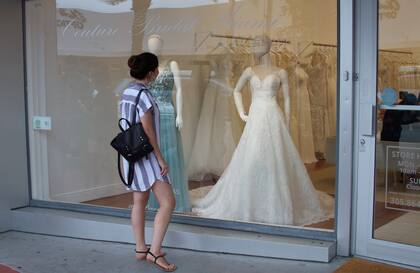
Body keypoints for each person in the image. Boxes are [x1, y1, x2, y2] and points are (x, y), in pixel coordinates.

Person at [119, 52, 177, 272]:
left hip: (132, 154)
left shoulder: (127, 92)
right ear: (151, 72)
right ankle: (154, 251)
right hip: (147, 156)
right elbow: (148, 129)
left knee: (139, 201)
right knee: (168, 202)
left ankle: (141, 248)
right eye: (156, 70)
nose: (158, 73)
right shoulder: (144, 95)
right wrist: (161, 158)